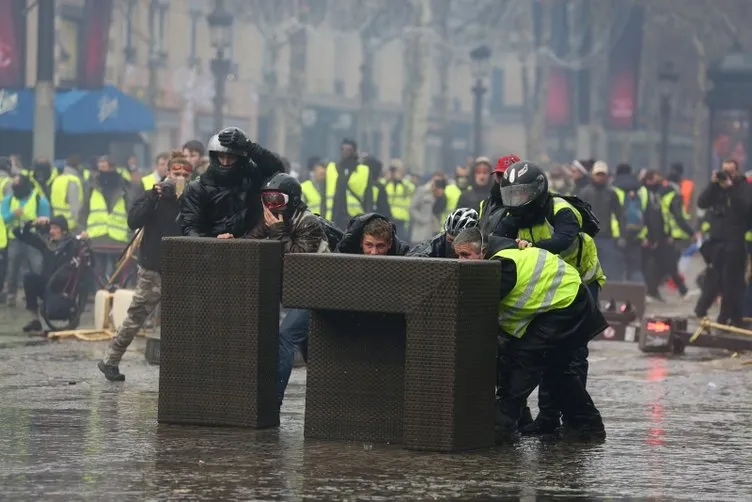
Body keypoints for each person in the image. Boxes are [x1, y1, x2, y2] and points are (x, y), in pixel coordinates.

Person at [452, 227, 607, 443]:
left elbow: (480, 312)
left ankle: (502, 425)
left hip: (566, 305)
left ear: (483, 251)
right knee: (557, 372)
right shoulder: (504, 255)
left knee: (527, 360)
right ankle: (587, 426)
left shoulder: (501, 267)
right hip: (566, 303)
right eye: (457, 255)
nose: (460, 262)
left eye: (466, 255)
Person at [493, 160, 605, 435]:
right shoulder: (512, 218)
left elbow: (562, 240)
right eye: (512, 195)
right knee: (547, 355)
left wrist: (529, 248)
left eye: (522, 195)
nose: (517, 202)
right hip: (547, 290)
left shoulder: (560, 210)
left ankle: (567, 418)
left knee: (572, 355)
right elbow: (495, 241)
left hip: (580, 285)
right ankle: (549, 418)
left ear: (538, 191)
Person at [98, 151, 189, 382]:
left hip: (181, 271)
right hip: (152, 269)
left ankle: (179, 371)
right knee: (135, 318)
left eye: (185, 174)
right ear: (167, 172)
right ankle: (111, 360)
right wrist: (154, 197)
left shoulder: (191, 199)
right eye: (175, 173)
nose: (179, 177)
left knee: (181, 323)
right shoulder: (152, 195)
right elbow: (133, 220)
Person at [245, 173, 330, 407]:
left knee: (286, 336)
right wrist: (232, 239)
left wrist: (279, 231)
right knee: (309, 347)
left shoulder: (308, 222)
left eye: (277, 200)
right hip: (291, 293)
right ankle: (329, 394)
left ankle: (273, 401)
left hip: (316, 292)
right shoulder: (271, 221)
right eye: (267, 199)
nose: (272, 206)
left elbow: (297, 258)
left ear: (291, 200)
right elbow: (251, 243)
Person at [180, 127, 285, 238]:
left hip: (250, 246)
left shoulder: (252, 179)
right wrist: (214, 242)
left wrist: (250, 147)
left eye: (231, 157)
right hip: (210, 250)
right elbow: (190, 227)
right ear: (215, 157)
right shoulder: (197, 188)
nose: (225, 162)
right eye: (221, 157)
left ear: (240, 158)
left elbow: (277, 172)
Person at [694, 159, 752, 326]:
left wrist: (731, 188)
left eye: (730, 171)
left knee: (731, 283)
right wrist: (713, 184)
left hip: (735, 242)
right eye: (724, 171)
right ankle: (706, 311)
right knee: (714, 280)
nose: (727, 175)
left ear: (737, 172)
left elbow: (746, 208)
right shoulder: (717, 188)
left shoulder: (744, 188)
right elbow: (702, 202)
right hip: (716, 243)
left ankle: (731, 317)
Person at [15, 216, 78, 332]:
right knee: (28, 277)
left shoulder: (72, 244)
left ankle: (70, 315)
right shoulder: (47, 244)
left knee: (54, 310)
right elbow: (18, 233)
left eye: (55, 228)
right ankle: (35, 320)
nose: (51, 231)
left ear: (63, 231)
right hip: (46, 285)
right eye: (50, 228)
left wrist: (85, 238)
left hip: (62, 289)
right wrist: (32, 223)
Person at [641, 170, 694, 302]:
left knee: (662, 264)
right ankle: (681, 290)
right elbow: (654, 217)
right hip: (660, 236)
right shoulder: (654, 194)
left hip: (662, 236)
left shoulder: (657, 193)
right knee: (667, 264)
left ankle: (652, 291)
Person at [79, 156, 132, 281]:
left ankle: (113, 298)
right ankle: (101, 297)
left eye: (105, 166)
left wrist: (131, 234)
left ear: (113, 167)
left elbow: (131, 212)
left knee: (117, 275)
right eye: (100, 167)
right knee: (98, 274)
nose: (103, 171)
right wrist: (82, 230)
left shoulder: (124, 187)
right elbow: (84, 211)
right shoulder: (92, 187)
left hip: (118, 239)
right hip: (97, 238)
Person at [2, 175, 51, 307]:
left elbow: (46, 220)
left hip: (33, 240)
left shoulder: (39, 200)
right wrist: (13, 214)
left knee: (37, 267)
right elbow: (3, 218)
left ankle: (40, 294)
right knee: (12, 269)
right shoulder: (9, 200)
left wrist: (39, 222)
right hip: (15, 239)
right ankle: (11, 294)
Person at [577, 161, 624, 280]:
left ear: (607, 176)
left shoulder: (612, 193)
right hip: (588, 237)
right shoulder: (584, 193)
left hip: (606, 237)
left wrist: (622, 236)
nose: (600, 177)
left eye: (602, 174)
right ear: (592, 175)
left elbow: (620, 216)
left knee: (607, 270)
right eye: (598, 174)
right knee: (588, 269)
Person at [323, 139, 373, 229]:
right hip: (333, 217)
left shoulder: (363, 170)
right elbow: (324, 196)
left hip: (355, 218)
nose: (345, 152)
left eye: (348, 150)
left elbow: (369, 198)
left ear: (354, 152)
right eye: (342, 149)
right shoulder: (331, 168)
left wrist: (368, 219)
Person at [611, 163, 646, 282]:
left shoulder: (613, 189)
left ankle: (618, 295)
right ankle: (638, 295)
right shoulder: (642, 190)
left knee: (617, 267)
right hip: (637, 233)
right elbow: (647, 213)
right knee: (635, 268)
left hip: (618, 233)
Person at [407, 207, 478, 258]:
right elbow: (412, 258)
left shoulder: (482, 246)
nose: (454, 246)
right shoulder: (435, 245)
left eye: (460, 242)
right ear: (445, 234)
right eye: (450, 240)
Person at [478, 154, 520, 236]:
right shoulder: (485, 204)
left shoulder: (523, 207)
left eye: (507, 175)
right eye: (499, 175)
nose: (502, 179)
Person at [335, 212, 410, 256]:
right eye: (369, 245)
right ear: (361, 242)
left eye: (380, 246)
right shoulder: (344, 252)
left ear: (389, 244)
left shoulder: (401, 254)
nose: (374, 252)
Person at [49, 155, 85, 233]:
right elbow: (75, 206)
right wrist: (81, 226)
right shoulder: (73, 181)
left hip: (56, 223)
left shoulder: (57, 179)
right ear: (78, 166)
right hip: (70, 225)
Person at [409, 176, 447, 244]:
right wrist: (421, 219)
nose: (440, 193)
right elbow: (412, 208)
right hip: (420, 233)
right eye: (439, 190)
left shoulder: (442, 197)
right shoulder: (422, 191)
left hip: (434, 231)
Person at [382, 159, 414, 238]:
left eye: (395, 170)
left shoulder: (406, 185)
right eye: (392, 170)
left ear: (401, 171)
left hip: (401, 221)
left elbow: (411, 189)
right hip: (387, 219)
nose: (393, 172)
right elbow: (379, 187)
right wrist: (387, 179)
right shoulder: (385, 183)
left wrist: (400, 179)